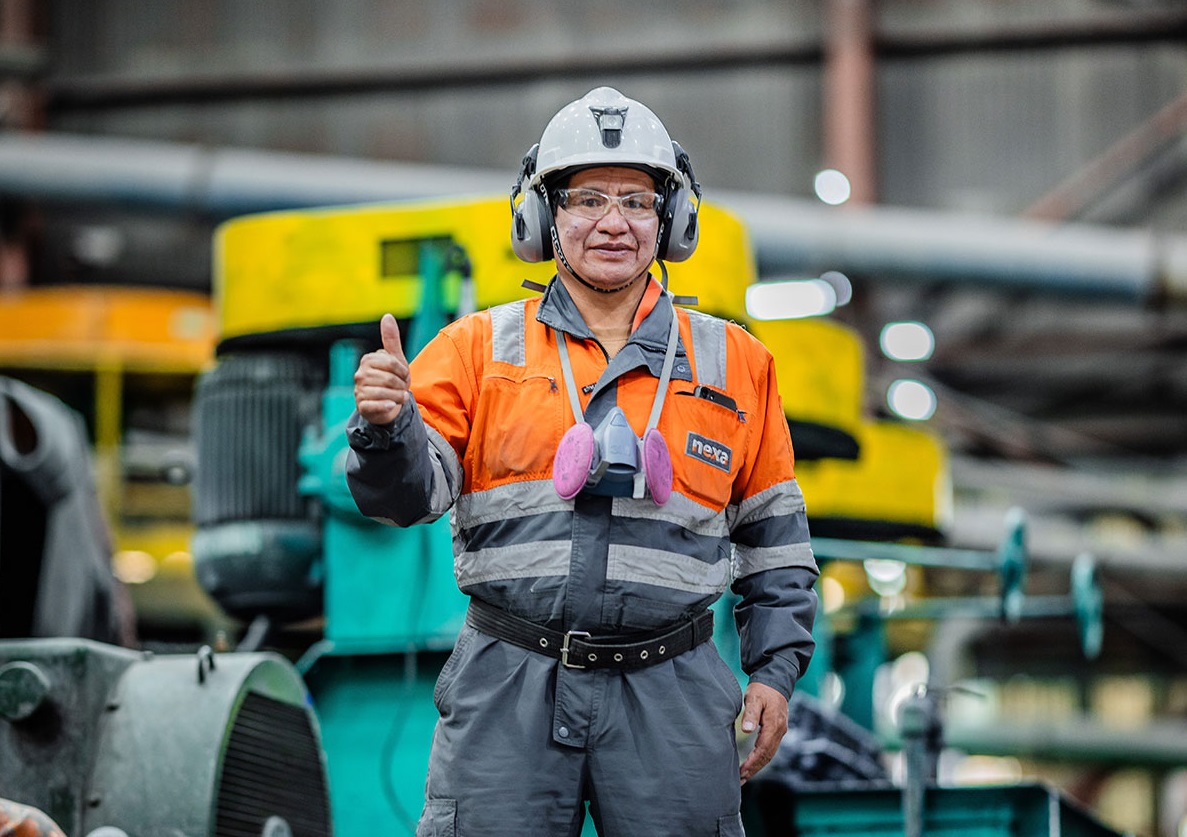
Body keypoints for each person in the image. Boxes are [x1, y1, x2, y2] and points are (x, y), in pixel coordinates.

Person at [346, 86, 818, 836]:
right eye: (586, 198)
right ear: (543, 217)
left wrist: (773, 674)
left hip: (674, 688)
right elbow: (406, 497)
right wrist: (384, 427)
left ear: (670, 219)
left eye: (635, 200)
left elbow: (775, 544)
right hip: (509, 680)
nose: (611, 222)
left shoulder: (737, 365)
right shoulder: (476, 350)